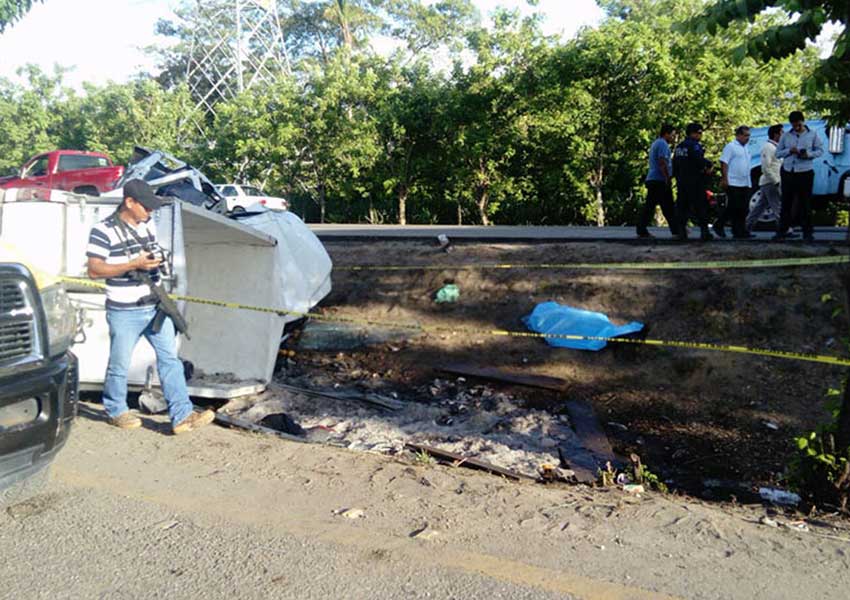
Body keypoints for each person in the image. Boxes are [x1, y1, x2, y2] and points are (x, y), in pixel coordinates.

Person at [86, 179, 214, 433]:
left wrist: (156, 262)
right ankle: (116, 410)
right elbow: (94, 270)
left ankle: (182, 415)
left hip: (155, 306)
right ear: (129, 202)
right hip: (124, 310)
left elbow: (150, 255)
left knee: (170, 360)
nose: (150, 211)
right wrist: (133, 264)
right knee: (119, 363)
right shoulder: (103, 230)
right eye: (146, 207)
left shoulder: (148, 225)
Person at [774, 110, 824, 242]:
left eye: (798, 125)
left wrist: (808, 154)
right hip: (788, 171)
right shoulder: (786, 136)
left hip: (805, 171)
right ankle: (782, 231)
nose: (796, 127)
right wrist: (789, 151)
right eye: (794, 125)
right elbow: (778, 153)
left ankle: (807, 232)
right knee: (786, 202)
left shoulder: (812, 134)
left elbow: (820, 150)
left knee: (805, 203)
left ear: (803, 122)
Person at [746, 124, 791, 234]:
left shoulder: (775, 147)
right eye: (782, 133)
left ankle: (746, 227)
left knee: (759, 208)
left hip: (769, 181)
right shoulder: (768, 147)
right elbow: (766, 167)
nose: (783, 135)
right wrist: (776, 181)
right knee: (778, 206)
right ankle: (785, 230)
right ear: (776, 134)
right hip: (770, 182)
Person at [673, 122, 714, 241]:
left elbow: (675, 164)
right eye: (700, 133)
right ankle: (704, 232)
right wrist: (708, 165)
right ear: (693, 133)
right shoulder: (694, 145)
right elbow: (699, 161)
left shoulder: (679, 147)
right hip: (695, 181)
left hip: (681, 181)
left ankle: (682, 232)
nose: (701, 136)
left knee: (682, 207)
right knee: (701, 207)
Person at [637, 124, 678, 239]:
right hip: (659, 180)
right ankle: (676, 230)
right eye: (672, 135)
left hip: (654, 179)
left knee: (656, 205)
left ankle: (642, 228)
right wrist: (667, 178)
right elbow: (662, 161)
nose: (673, 138)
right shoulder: (662, 144)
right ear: (666, 134)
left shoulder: (657, 143)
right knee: (666, 206)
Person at [716, 126, 755, 239]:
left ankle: (740, 230)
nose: (747, 138)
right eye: (745, 135)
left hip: (744, 181)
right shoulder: (731, 146)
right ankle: (719, 224)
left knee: (743, 208)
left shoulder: (746, 148)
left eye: (748, 136)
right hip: (733, 181)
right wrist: (725, 178)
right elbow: (724, 162)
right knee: (734, 206)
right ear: (738, 135)